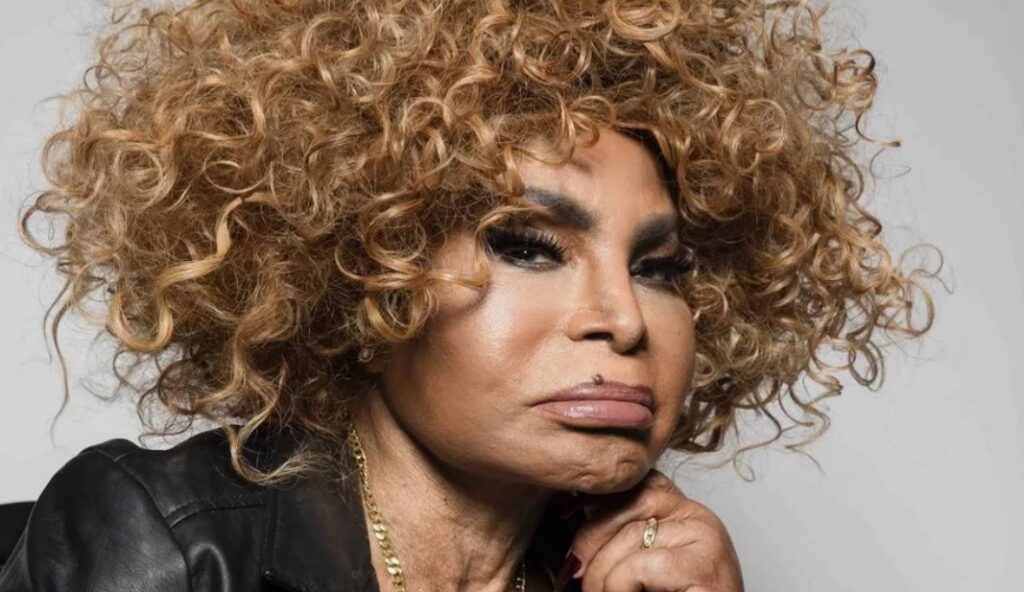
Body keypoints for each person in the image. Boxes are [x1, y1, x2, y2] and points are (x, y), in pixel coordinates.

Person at [0, 0, 936, 590]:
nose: (622, 319)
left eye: (657, 268)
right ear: (363, 275)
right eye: (529, 247)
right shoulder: (171, 543)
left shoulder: (637, 575)